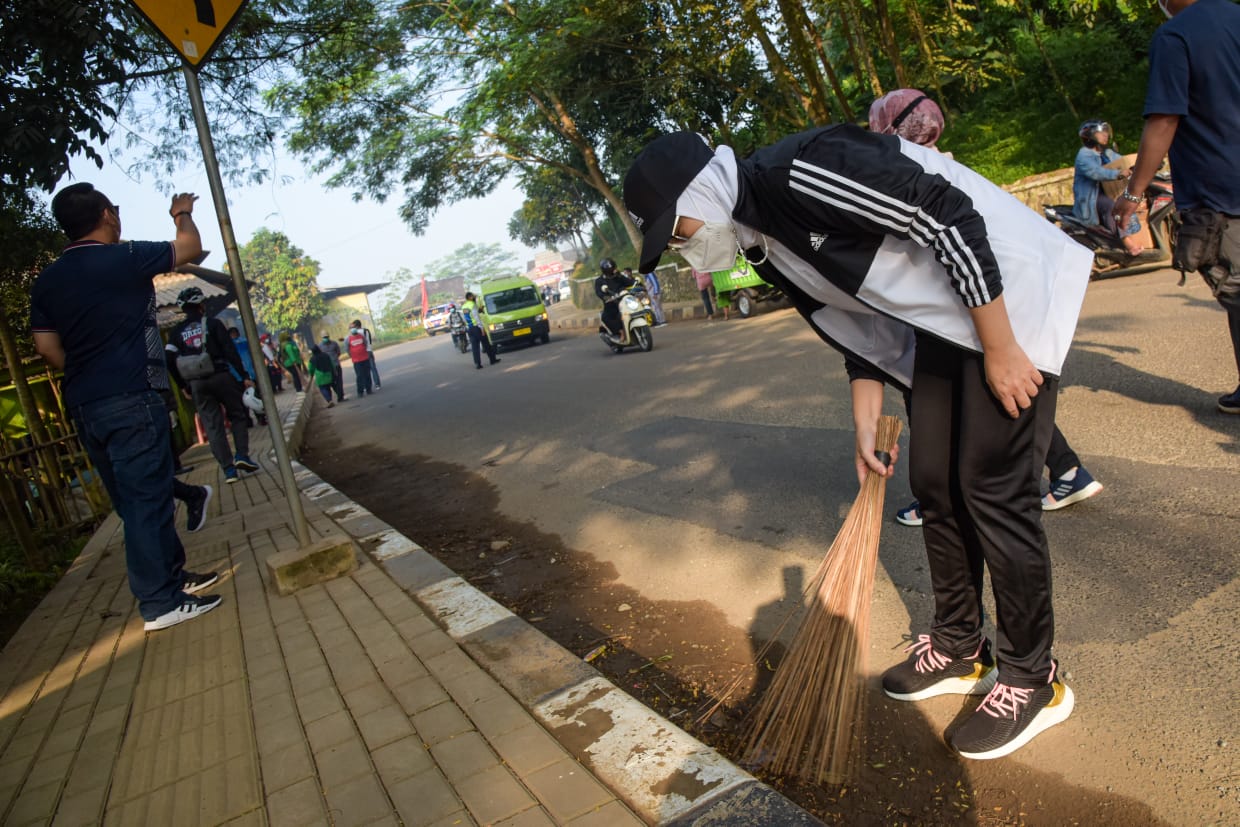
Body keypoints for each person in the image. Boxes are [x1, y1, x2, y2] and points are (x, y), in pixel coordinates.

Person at [624, 127, 1091, 758]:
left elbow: (946, 215)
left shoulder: (799, 173)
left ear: (700, 191)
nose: (684, 250)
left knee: (993, 487)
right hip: (943, 321)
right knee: (932, 482)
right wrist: (863, 418)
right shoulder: (759, 239)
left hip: (1005, 298)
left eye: (676, 233)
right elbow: (855, 318)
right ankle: (959, 645)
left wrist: (1004, 347)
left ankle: (1035, 679)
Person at [867, 90, 1104, 526]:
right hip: (994, 300)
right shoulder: (951, 165)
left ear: (891, 128)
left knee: (935, 393)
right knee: (1008, 387)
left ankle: (938, 494)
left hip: (955, 308)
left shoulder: (907, 174)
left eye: (876, 125)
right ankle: (1067, 469)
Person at [30, 182, 221, 631]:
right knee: (147, 503)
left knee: (135, 500)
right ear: (107, 215)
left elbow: (45, 347)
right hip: (132, 397)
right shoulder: (125, 257)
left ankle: (172, 580)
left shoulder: (48, 279)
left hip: (85, 404)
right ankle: (159, 604)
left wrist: (87, 372)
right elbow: (190, 247)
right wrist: (181, 213)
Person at [1114, 0, 1240, 415]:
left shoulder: (1176, 35)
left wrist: (1133, 195)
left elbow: (1164, 120)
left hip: (1222, 190)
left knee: (1236, 287)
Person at [168, 287, 260, 484]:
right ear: (202, 305)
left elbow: (169, 359)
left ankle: (228, 471)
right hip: (221, 376)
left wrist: (183, 385)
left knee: (213, 426)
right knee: (237, 414)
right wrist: (243, 375)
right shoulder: (213, 324)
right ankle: (242, 456)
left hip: (197, 384)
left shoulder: (176, 333)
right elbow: (230, 351)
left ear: (183, 309)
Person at [1073, 120, 1144, 256]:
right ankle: (1128, 243)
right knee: (1112, 206)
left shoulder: (1107, 152)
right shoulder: (1084, 155)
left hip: (1109, 192)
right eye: (1101, 133)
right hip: (1092, 198)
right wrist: (1118, 174)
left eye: (1106, 132)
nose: (1105, 135)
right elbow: (1096, 172)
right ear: (1091, 135)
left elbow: (1122, 161)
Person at [594, 258, 635, 340]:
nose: (613, 271)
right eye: (610, 270)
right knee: (605, 317)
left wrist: (621, 276)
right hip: (611, 304)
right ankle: (620, 331)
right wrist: (605, 297)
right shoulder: (599, 281)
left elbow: (630, 283)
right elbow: (599, 292)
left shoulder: (618, 276)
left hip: (625, 300)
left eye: (613, 268)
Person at [460, 292, 500, 369]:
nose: (475, 297)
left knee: (475, 347)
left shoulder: (464, 306)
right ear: (470, 297)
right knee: (486, 344)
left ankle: (477, 364)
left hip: (470, 328)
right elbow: (476, 317)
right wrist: (481, 328)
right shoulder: (472, 305)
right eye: (473, 296)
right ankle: (492, 360)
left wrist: (479, 310)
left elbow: (467, 317)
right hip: (477, 328)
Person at [350, 319, 381, 390]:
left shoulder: (356, 333)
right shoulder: (366, 331)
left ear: (356, 326)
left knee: (363, 371)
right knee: (373, 368)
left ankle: (365, 386)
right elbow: (369, 341)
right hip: (369, 351)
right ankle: (377, 384)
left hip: (362, 354)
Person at [345, 323, 375, 395]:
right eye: (351, 328)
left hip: (365, 358)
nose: (353, 329)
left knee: (367, 374)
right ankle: (360, 391)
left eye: (354, 327)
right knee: (359, 376)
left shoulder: (361, 336)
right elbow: (347, 349)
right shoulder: (348, 339)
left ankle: (369, 389)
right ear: (349, 330)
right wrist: (352, 356)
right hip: (356, 360)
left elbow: (365, 344)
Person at [319, 333, 346, 401]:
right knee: (332, 382)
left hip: (336, 365)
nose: (326, 338)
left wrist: (335, 358)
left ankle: (340, 397)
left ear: (329, 336)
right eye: (324, 337)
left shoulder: (334, 343)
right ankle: (339, 395)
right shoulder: (320, 346)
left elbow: (338, 352)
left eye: (327, 337)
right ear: (322, 337)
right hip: (328, 367)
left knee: (339, 381)